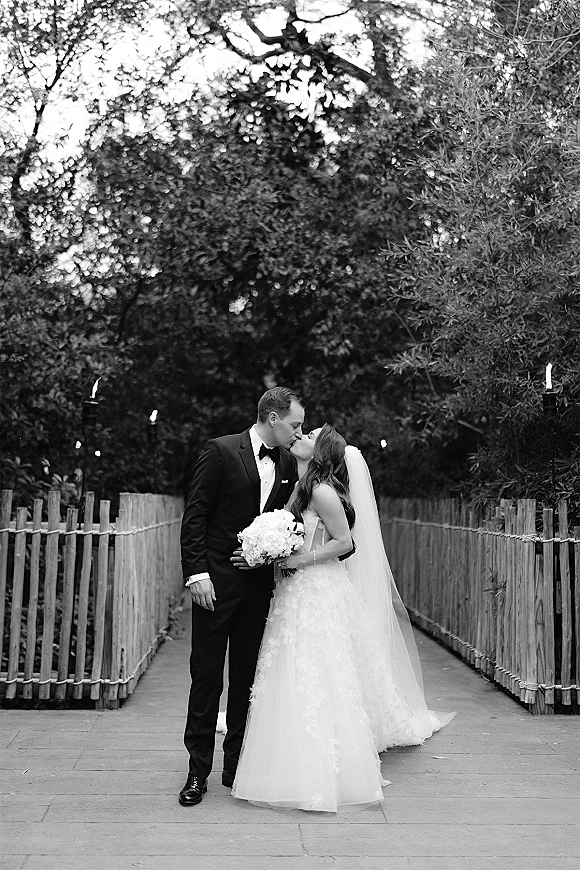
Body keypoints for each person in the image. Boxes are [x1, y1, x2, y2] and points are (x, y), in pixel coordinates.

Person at [232, 424, 455, 812]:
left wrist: (297, 558)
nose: (301, 436)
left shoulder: (320, 490)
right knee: (293, 669)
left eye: (310, 435)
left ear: (321, 453)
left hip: (317, 588)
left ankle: (324, 767)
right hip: (295, 589)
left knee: (317, 670)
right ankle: (290, 754)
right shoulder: (302, 487)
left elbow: (345, 542)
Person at [179, 387, 305, 806]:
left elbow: (289, 523)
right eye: (295, 424)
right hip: (214, 585)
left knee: (246, 681)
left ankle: (235, 768)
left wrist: (272, 551)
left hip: (257, 590)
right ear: (272, 418)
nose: (298, 432)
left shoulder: (288, 462)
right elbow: (195, 514)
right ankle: (198, 773)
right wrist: (197, 574)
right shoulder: (219, 451)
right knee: (207, 677)